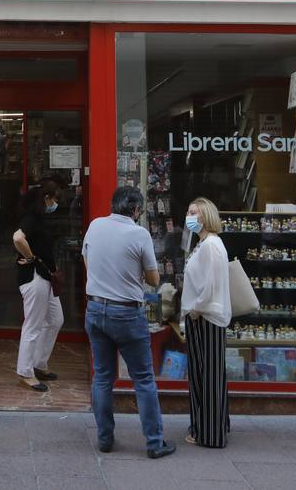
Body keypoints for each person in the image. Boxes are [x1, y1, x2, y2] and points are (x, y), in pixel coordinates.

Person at [81, 185, 175, 459]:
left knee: (102, 377)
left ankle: (105, 438)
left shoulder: (95, 226)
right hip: (126, 313)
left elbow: (86, 259)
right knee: (144, 379)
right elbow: (154, 279)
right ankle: (155, 442)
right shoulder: (139, 234)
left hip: (96, 309)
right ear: (135, 209)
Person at [179, 197, 231, 449]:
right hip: (202, 314)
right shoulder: (203, 244)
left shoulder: (210, 245)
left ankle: (209, 433)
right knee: (206, 375)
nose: (190, 217)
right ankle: (208, 426)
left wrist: (196, 309)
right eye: (189, 212)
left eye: (194, 213)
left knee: (207, 377)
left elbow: (210, 284)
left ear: (206, 216)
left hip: (206, 316)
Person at [12, 179, 64, 392]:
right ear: (46, 198)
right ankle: (26, 372)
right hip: (35, 278)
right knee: (33, 325)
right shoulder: (31, 218)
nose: (56, 204)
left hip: (45, 278)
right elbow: (18, 238)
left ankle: (39, 362)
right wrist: (31, 257)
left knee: (55, 319)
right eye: (55, 200)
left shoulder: (38, 218)